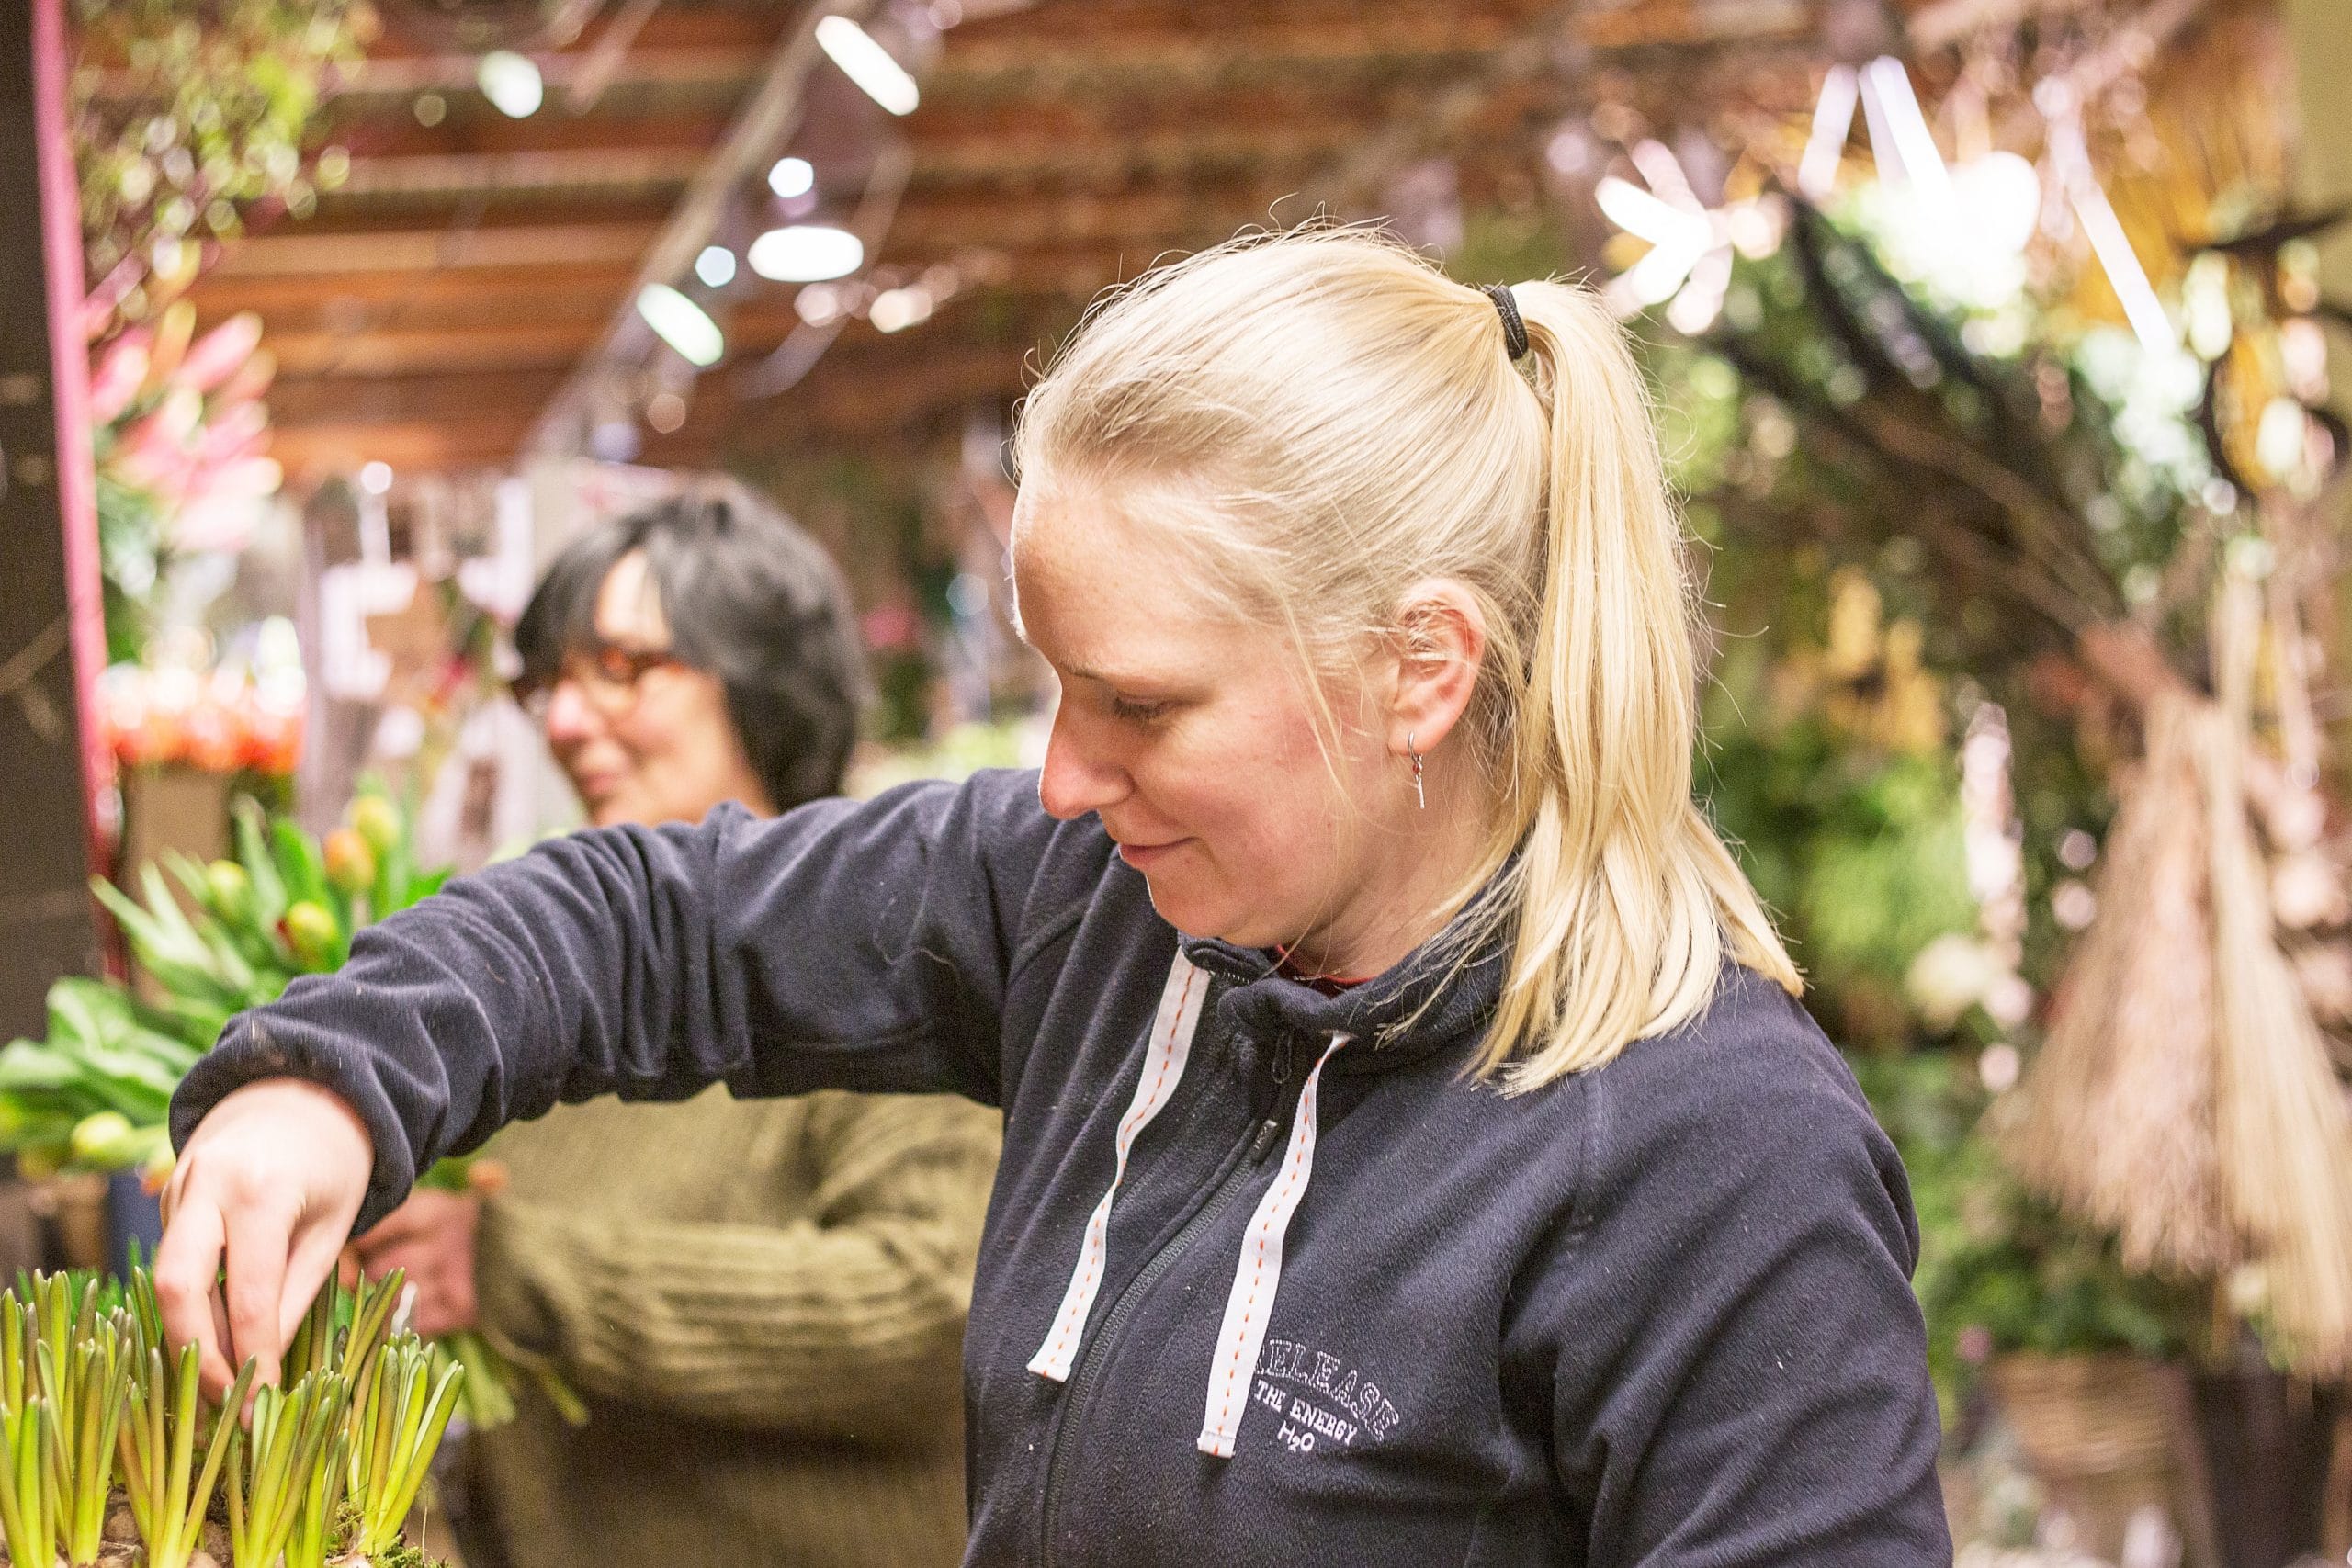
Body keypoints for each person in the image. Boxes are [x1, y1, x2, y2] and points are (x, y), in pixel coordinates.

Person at [155, 230, 1951, 1565]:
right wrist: (332, 1078)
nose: (1061, 779)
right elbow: (648, 925)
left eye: (1142, 703)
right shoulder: (1102, 909)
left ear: (1420, 667)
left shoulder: (1710, 1155)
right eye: (1053, 687)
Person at [352, 482, 1001, 1568]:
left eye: (623, 669)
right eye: (549, 682)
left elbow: (938, 1303)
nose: (563, 719)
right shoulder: (569, 980)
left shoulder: (882, 957)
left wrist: (512, 1273)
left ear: (762, 685)